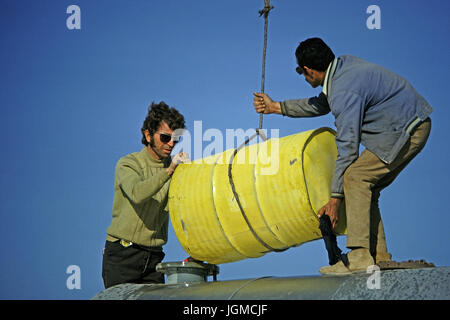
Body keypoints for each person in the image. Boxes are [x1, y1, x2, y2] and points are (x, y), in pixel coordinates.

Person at [253, 37, 432, 275]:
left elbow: (347, 147)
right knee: (368, 185)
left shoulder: (344, 90)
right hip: (411, 124)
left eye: (301, 72)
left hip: (406, 128)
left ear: (308, 70)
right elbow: (321, 104)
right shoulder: (342, 68)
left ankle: (359, 255)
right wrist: (277, 107)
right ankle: (376, 255)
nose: (303, 77)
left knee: (355, 178)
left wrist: (334, 200)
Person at [102, 101, 190, 288]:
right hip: (123, 255)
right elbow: (137, 193)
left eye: (176, 139)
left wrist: (190, 174)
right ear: (148, 134)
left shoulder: (176, 169)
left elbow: (187, 206)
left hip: (154, 258)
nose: (171, 144)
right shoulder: (128, 164)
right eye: (165, 137)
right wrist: (169, 171)